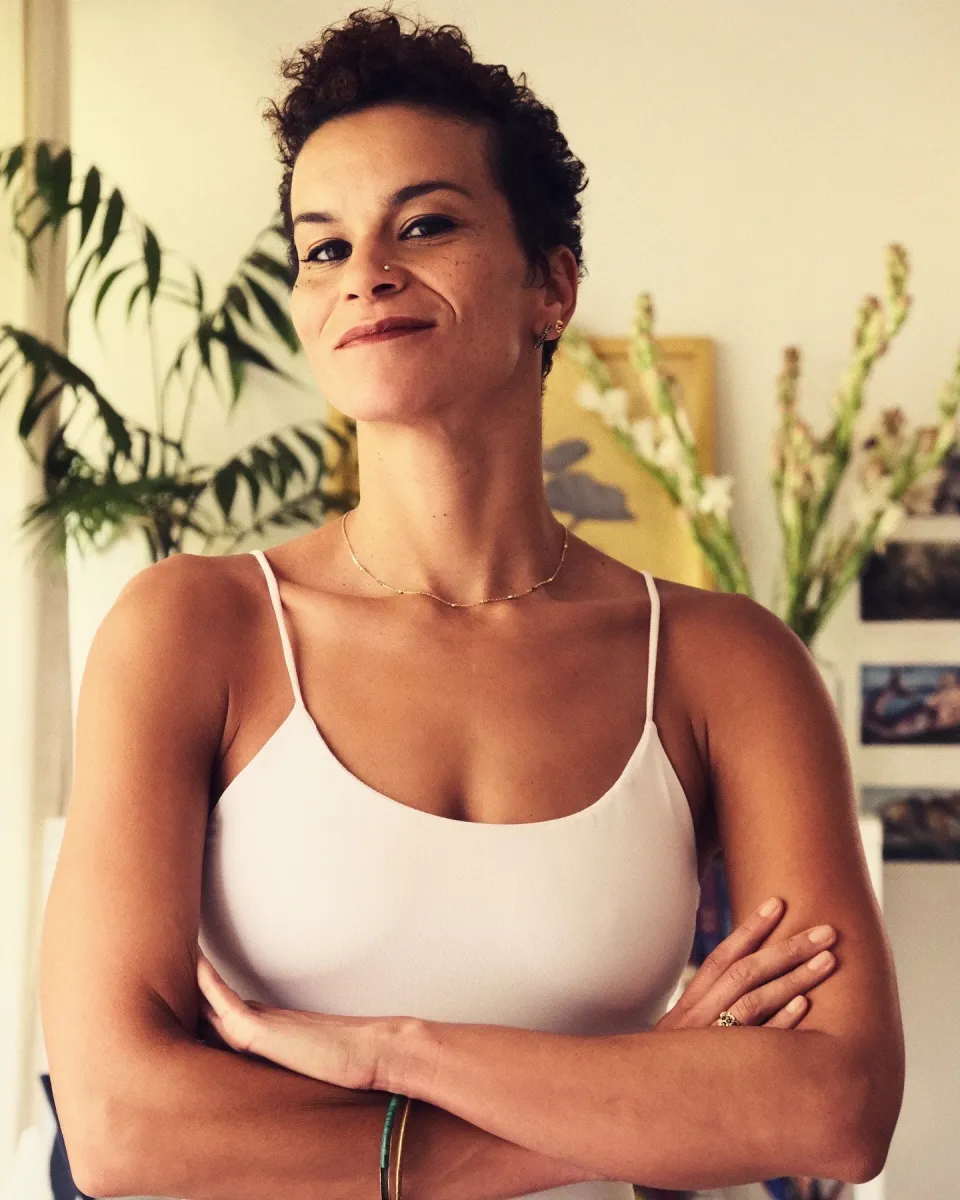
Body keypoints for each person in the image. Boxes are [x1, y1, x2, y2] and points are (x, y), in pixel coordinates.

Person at [39, 7, 904, 1200]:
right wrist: (637, 1093)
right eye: (322, 247)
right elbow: (125, 1127)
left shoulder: (722, 664)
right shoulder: (193, 631)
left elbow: (835, 1110)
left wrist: (393, 1053)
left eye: (426, 224)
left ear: (553, 284)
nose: (368, 275)